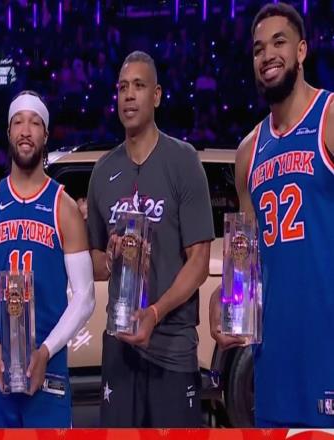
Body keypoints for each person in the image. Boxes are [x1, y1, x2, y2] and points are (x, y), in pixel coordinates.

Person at [209, 3, 334, 428]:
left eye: (279, 42)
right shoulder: (249, 150)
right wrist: (224, 297)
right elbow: (243, 257)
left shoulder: (328, 117)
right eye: (258, 48)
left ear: (301, 50)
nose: (267, 55)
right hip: (273, 362)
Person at [86, 51, 214, 428]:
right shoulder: (103, 171)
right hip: (119, 346)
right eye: (122, 87)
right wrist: (109, 257)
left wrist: (155, 313)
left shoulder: (183, 161)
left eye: (139, 86)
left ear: (156, 96)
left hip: (172, 347)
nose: (129, 95)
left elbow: (199, 262)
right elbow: (94, 262)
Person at [0, 90, 95, 428]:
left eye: (35, 123)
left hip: (47, 367)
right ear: (8, 132)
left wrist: (46, 351)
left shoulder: (64, 207)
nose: (26, 131)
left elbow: (85, 297)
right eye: (19, 122)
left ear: (46, 135)